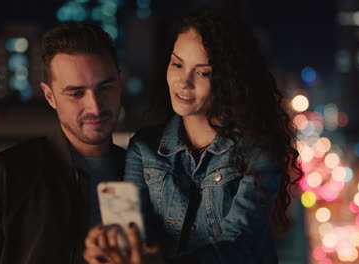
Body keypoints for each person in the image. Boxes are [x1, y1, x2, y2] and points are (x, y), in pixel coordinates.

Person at [84, 7, 300, 264]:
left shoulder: (257, 151)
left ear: (228, 79)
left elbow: (240, 245)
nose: (183, 82)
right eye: (177, 64)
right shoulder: (144, 148)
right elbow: (135, 233)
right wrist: (112, 248)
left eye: (202, 72)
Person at [0, 22, 125, 264]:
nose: (95, 106)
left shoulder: (146, 173)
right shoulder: (4, 177)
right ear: (50, 96)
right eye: (76, 93)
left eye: (105, 88)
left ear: (120, 83)